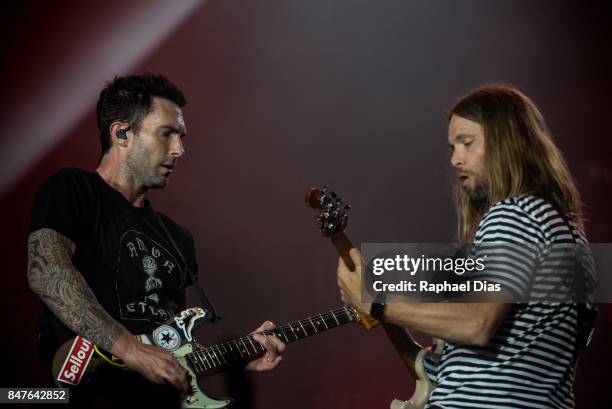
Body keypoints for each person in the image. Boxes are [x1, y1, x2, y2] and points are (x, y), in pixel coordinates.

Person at [27, 73, 285, 407]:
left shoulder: (178, 238)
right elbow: (46, 272)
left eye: (181, 136)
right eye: (166, 134)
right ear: (122, 133)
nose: (179, 149)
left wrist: (235, 356)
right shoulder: (72, 189)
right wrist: (130, 349)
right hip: (88, 390)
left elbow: (169, 347)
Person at [337, 85, 593, 408]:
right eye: (452, 147)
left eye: (467, 143)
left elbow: (478, 323)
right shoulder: (560, 223)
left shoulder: (513, 214)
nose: (456, 159)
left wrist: (376, 303)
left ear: (506, 142)